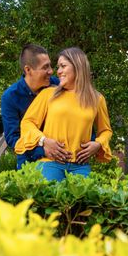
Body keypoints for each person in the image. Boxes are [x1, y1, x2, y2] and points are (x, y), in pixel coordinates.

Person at [14, 47, 112, 181]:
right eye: (58, 67)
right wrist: (44, 141)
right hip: (50, 164)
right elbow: (27, 122)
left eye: (63, 66)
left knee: (83, 201)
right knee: (48, 201)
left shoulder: (97, 99)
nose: (58, 71)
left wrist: (98, 144)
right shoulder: (48, 94)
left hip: (81, 166)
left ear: (78, 66)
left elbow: (106, 130)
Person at [1, 44, 72, 169]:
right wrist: (43, 149)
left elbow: (78, 111)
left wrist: (93, 141)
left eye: (50, 65)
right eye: (45, 67)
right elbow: (13, 139)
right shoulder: (10, 97)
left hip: (65, 161)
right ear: (28, 70)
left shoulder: (58, 85)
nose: (51, 71)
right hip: (30, 164)